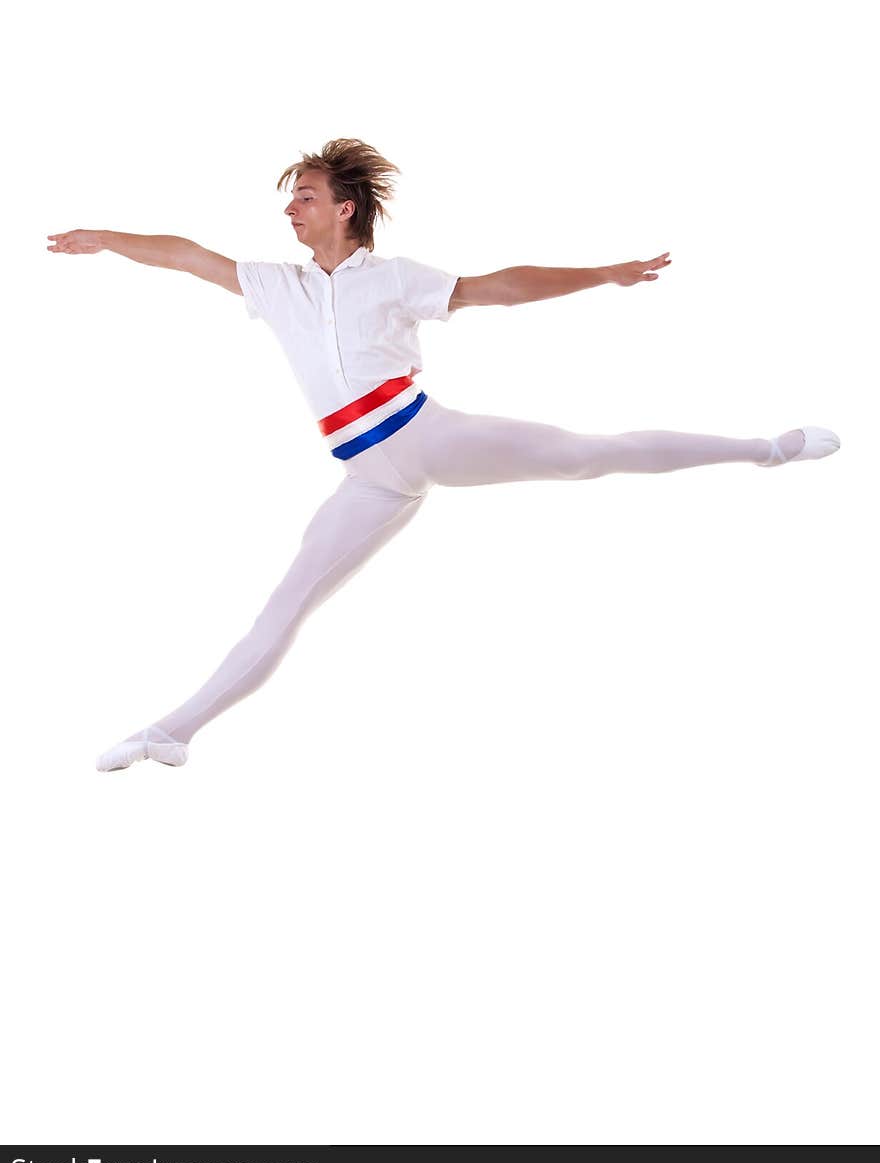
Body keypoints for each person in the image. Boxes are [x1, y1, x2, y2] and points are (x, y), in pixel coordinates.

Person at [47, 137, 841, 772]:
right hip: (368, 479)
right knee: (283, 607)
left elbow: (498, 286)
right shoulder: (275, 286)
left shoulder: (393, 278)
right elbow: (189, 255)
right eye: (292, 197)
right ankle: (170, 731)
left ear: (344, 209)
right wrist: (106, 240)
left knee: (586, 455)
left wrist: (604, 273)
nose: (291, 208)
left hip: (425, 436)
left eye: (306, 196)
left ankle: (768, 447)